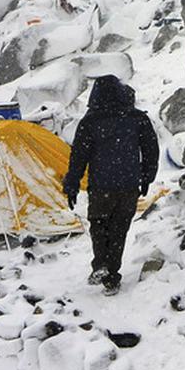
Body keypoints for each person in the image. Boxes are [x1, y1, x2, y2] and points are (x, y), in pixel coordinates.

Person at [64, 75, 158, 295]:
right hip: (128, 185)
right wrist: (146, 177)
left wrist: (72, 184)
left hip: (101, 187)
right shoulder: (137, 118)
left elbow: (78, 157)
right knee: (119, 229)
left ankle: (101, 265)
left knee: (99, 226)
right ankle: (111, 276)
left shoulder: (90, 122)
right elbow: (151, 150)